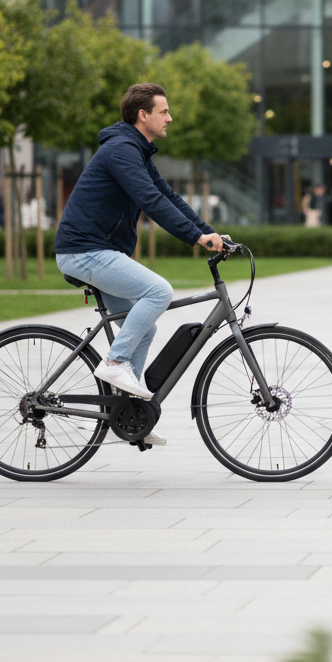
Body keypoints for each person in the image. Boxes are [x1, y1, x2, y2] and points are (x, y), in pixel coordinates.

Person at [54, 83, 223, 447]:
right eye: (164, 111)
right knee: (158, 291)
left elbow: (167, 195)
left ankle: (126, 412)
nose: (170, 117)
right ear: (142, 115)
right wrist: (194, 239)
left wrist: (209, 232)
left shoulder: (137, 152)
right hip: (83, 251)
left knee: (145, 329)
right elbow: (149, 200)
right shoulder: (121, 150)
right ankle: (115, 365)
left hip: (100, 250)